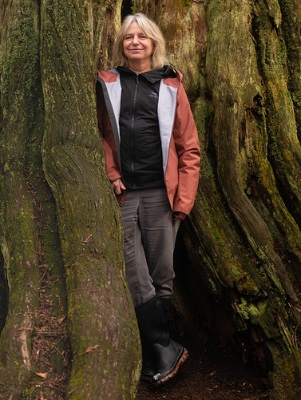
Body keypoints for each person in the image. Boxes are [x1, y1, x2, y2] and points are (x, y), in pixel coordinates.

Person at [96, 13, 200, 385]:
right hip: (124, 194)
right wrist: (111, 173)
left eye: (142, 36)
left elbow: (189, 150)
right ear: (121, 44)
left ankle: (159, 353)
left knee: (162, 272)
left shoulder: (171, 86)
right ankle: (162, 348)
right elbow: (100, 136)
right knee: (132, 270)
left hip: (161, 194)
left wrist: (183, 200)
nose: (135, 41)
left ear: (154, 42)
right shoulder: (108, 83)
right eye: (129, 36)